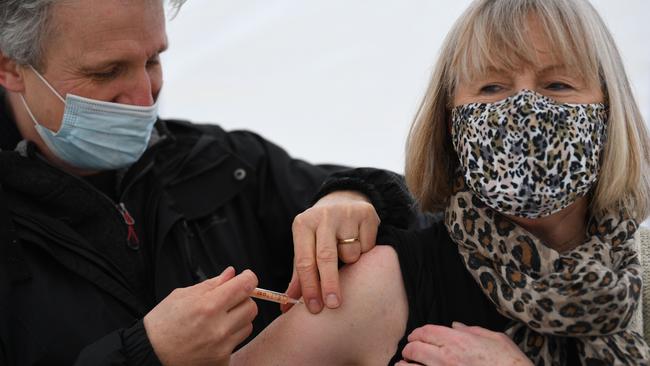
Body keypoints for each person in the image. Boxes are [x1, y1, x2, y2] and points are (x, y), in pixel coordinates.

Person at [230, 0, 650, 365]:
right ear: (450, 123)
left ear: (611, 110)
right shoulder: (386, 287)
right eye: (492, 87)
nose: (525, 110)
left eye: (558, 85)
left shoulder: (641, 273)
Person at [0, 0, 415, 365]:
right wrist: (146, 354)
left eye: (152, 61)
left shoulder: (216, 162)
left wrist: (352, 195)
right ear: (11, 68)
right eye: (107, 72)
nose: (144, 98)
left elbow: (429, 211)